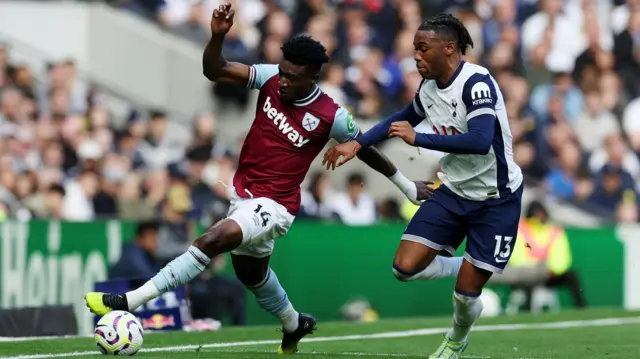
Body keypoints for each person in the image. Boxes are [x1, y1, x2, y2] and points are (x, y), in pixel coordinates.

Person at [84, 2, 432, 355]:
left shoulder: (332, 115)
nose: (281, 81)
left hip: (277, 205)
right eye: (281, 72)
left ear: (312, 77)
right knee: (252, 275)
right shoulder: (269, 77)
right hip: (244, 194)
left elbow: (368, 148)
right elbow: (214, 69)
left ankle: (129, 300)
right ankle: (294, 323)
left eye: (291, 77)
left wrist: (406, 185)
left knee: (215, 238)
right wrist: (217, 36)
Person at [324, 13, 524, 359]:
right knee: (403, 268)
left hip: (496, 198)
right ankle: (471, 262)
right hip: (455, 191)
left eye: (422, 48)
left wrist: (420, 138)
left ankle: (456, 341)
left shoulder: (476, 84)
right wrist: (357, 143)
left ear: (449, 49)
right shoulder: (429, 88)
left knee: (464, 296)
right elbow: (398, 120)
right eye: (414, 48)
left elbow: (479, 140)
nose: (415, 56)